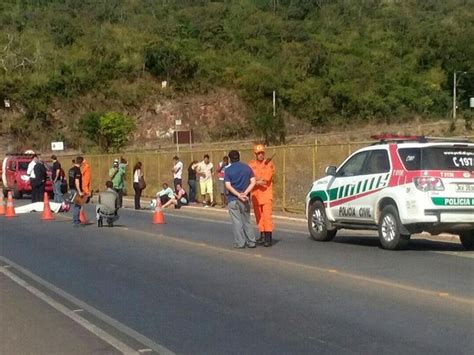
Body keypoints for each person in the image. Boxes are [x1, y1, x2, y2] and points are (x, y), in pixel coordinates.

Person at [224, 150, 257, 248]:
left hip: (233, 199)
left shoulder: (228, 170)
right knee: (247, 220)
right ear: (239, 156)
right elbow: (253, 182)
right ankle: (251, 241)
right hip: (245, 198)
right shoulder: (247, 168)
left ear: (230, 159)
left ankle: (240, 242)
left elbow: (228, 186)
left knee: (237, 221)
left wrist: (238, 195)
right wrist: (245, 193)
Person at [249, 144, 275, 247]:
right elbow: (248, 178)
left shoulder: (269, 164)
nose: (260, 155)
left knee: (267, 217)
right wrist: (256, 182)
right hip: (255, 195)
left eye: (262, 153)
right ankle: (262, 235)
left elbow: (265, 180)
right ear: (255, 154)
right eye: (258, 153)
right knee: (259, 217)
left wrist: (254, 181)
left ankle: (268, 237)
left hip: (266, 195)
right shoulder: (251, 165)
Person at [68, 157, 84, 226]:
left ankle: (76, 219)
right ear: (81, 163)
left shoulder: (71, 170)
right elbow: (76, 181)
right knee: (77, 206)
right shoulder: (77, 171)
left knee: (76, 205)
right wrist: (79, 191)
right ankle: (75, 221)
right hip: (76, 189)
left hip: (71, 188)